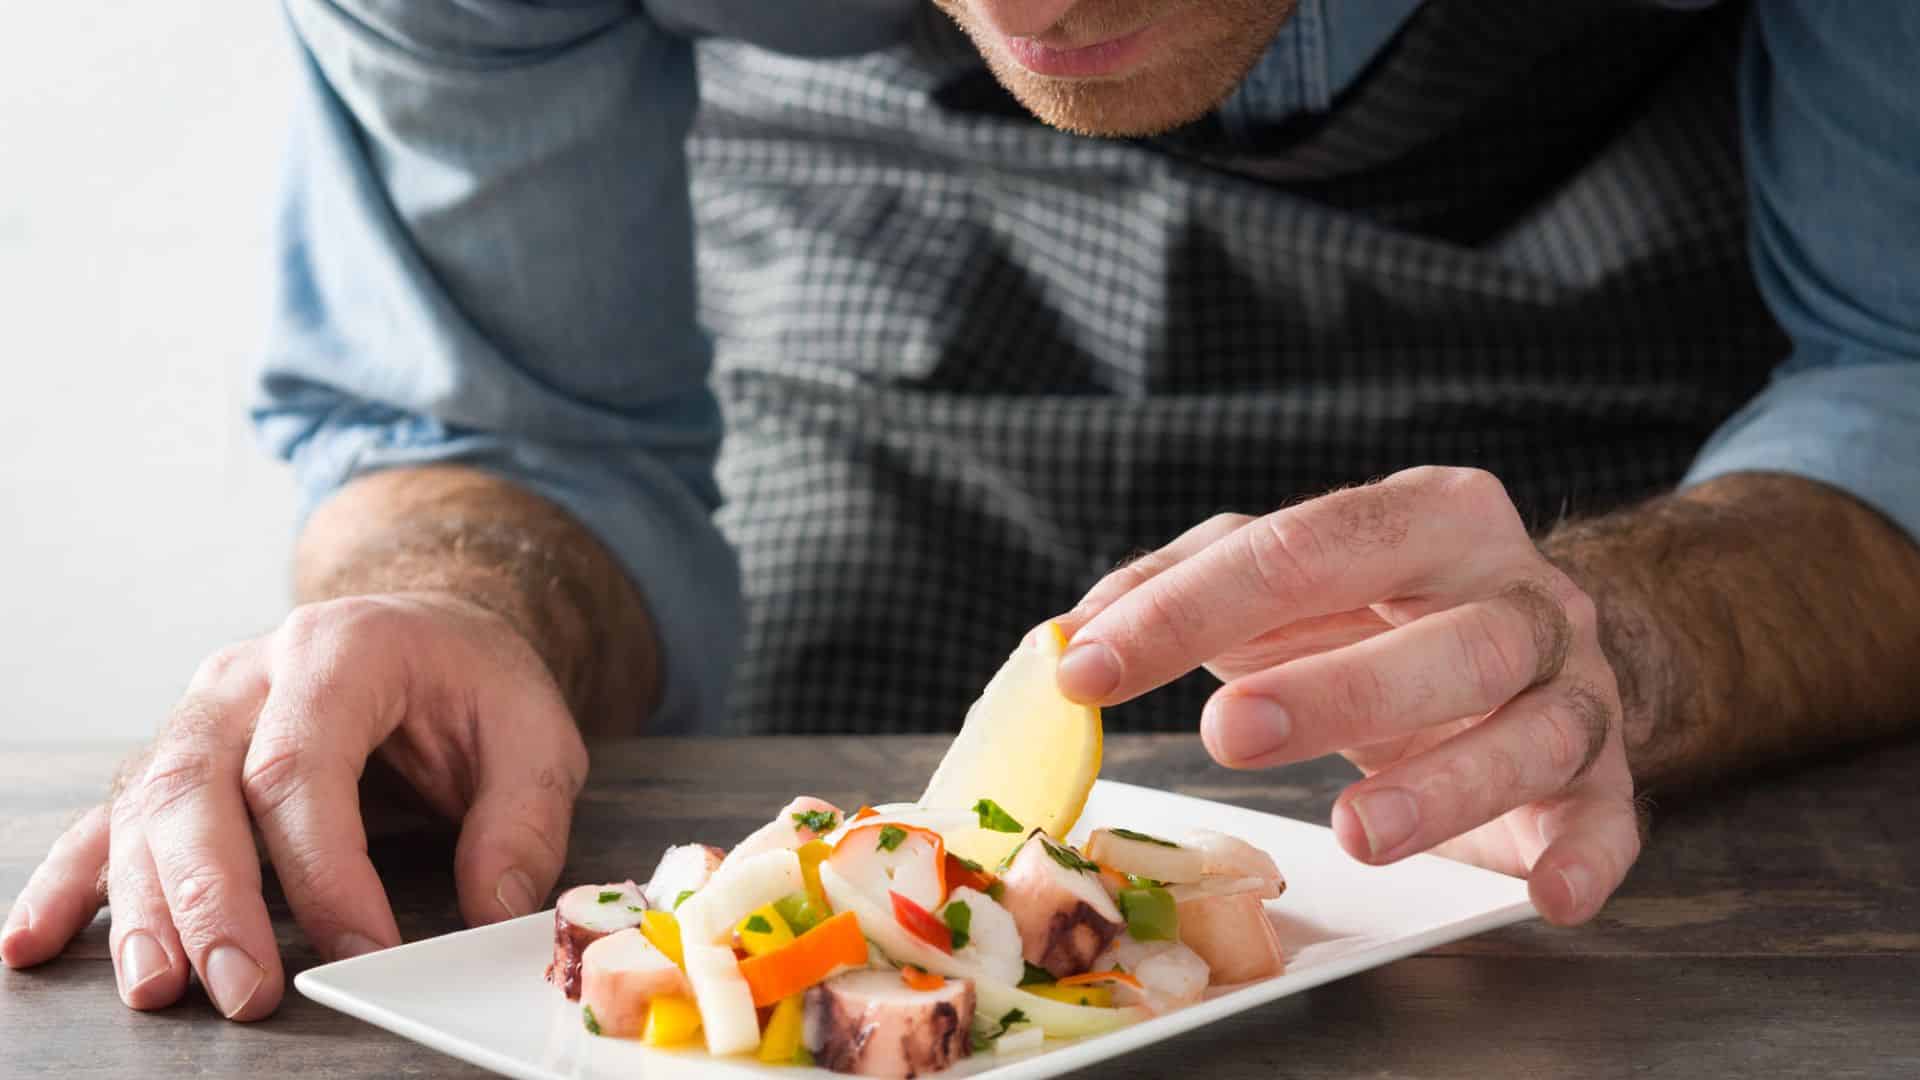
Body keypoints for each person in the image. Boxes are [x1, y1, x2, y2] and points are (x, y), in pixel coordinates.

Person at [4, 0, 1917, 1024]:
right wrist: (453, 598)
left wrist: (1638, 644)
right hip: (867, 375)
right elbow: (510, 422)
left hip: (1653, 418)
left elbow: (1905, 370)